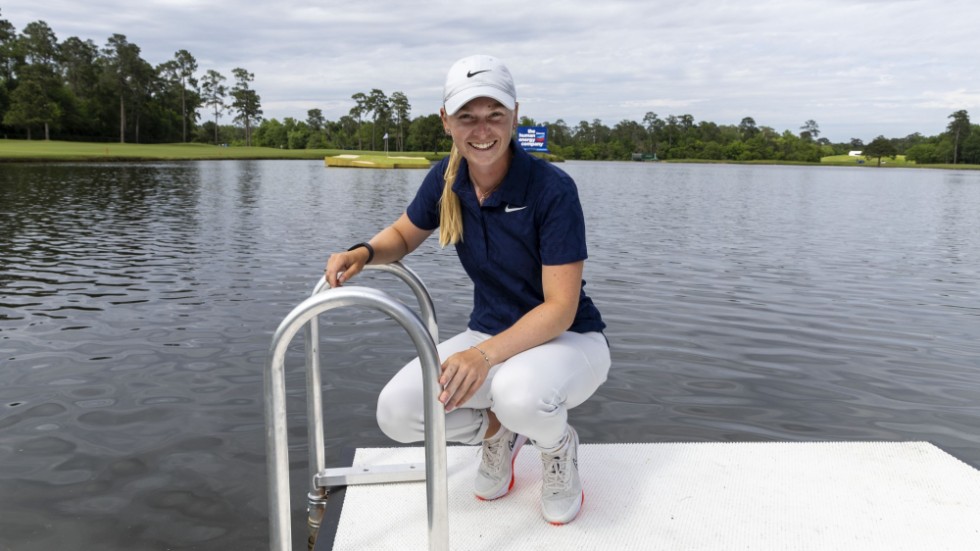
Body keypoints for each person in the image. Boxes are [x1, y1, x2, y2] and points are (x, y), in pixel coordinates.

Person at [324, 54, 610, 525]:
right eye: (467, 117)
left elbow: (561, 308)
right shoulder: (447, 178)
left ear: (515, 115)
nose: (482, 130)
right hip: (491, 333)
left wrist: (482, 358)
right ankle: (496, 431)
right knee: (397, 413)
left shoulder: (552, 189)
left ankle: (556, 446)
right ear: (446, 121)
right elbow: (402, 235)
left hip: (570, 338)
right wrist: (364, 253)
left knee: (520, 395)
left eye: (495, 115)